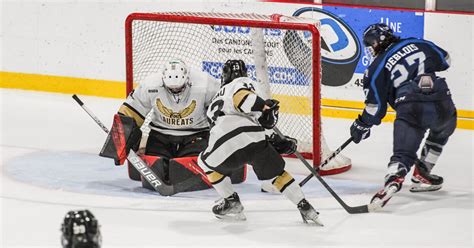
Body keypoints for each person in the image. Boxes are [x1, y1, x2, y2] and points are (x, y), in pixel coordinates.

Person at [197, 59, 323, 225]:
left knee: (204, 161)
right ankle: (305, 206)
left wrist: (264, 110)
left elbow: (242, 99)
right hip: (254, 136)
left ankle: (231, 202)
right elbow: (250, 107)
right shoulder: (244, 83)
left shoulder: (225, 91)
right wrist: (276, 138)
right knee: (277, 174)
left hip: (227, 138)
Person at [349, 23, 456, 209]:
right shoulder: (417, 42)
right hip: (442, 100)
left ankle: (393, 180)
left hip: (410, 104)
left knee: (403, 155)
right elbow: (446, 60)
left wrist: (361, 125)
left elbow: (375, 108)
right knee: (440, 133)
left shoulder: (375, 69)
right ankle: (423, 171)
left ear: (376, 43)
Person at [100, 59, 245, 192]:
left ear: (187, 80)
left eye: (179, 88)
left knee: (183, 171)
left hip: (196, 135)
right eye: (171, 89)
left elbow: (223, 109)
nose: (175, 92)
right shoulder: (150, 84)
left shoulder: (205, 83)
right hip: (160, 135)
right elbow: (131, 111)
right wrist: (119, 140)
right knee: (157, 170)